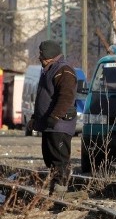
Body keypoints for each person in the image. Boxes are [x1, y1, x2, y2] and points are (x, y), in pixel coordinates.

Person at [29, 40, 80, 197]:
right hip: (49, 124)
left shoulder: (64, 71)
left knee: (59, 159)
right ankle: (55, 190)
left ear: (50, 55)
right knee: (49, 157)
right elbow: (43, 98)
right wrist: (35, 119)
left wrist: (55, 116)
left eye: (42, 54)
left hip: (59, 124)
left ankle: (61, 192)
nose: (40, 58)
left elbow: (66, 97)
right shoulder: (49, 70)